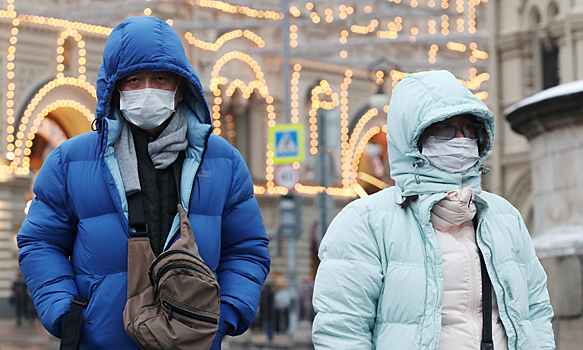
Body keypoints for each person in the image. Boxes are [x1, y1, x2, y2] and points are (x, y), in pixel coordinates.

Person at [17, 16, 270, 349]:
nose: (147, 90)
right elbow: (39, 242)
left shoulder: (223, 161)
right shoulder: (69, 162)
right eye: (134, 80)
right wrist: (67, 313)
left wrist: (223, 317)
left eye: (160, 79)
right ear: (115, 89)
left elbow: (247, 250)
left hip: (193, 340)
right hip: (102, 341)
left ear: (181, 89)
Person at [312, 70, 555, 350]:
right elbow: (342, 331)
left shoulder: (503, 216)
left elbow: (535, 311)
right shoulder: (365, 222)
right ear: (413, 138)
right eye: (445, 129)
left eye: (469, 129)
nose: (462, 139)